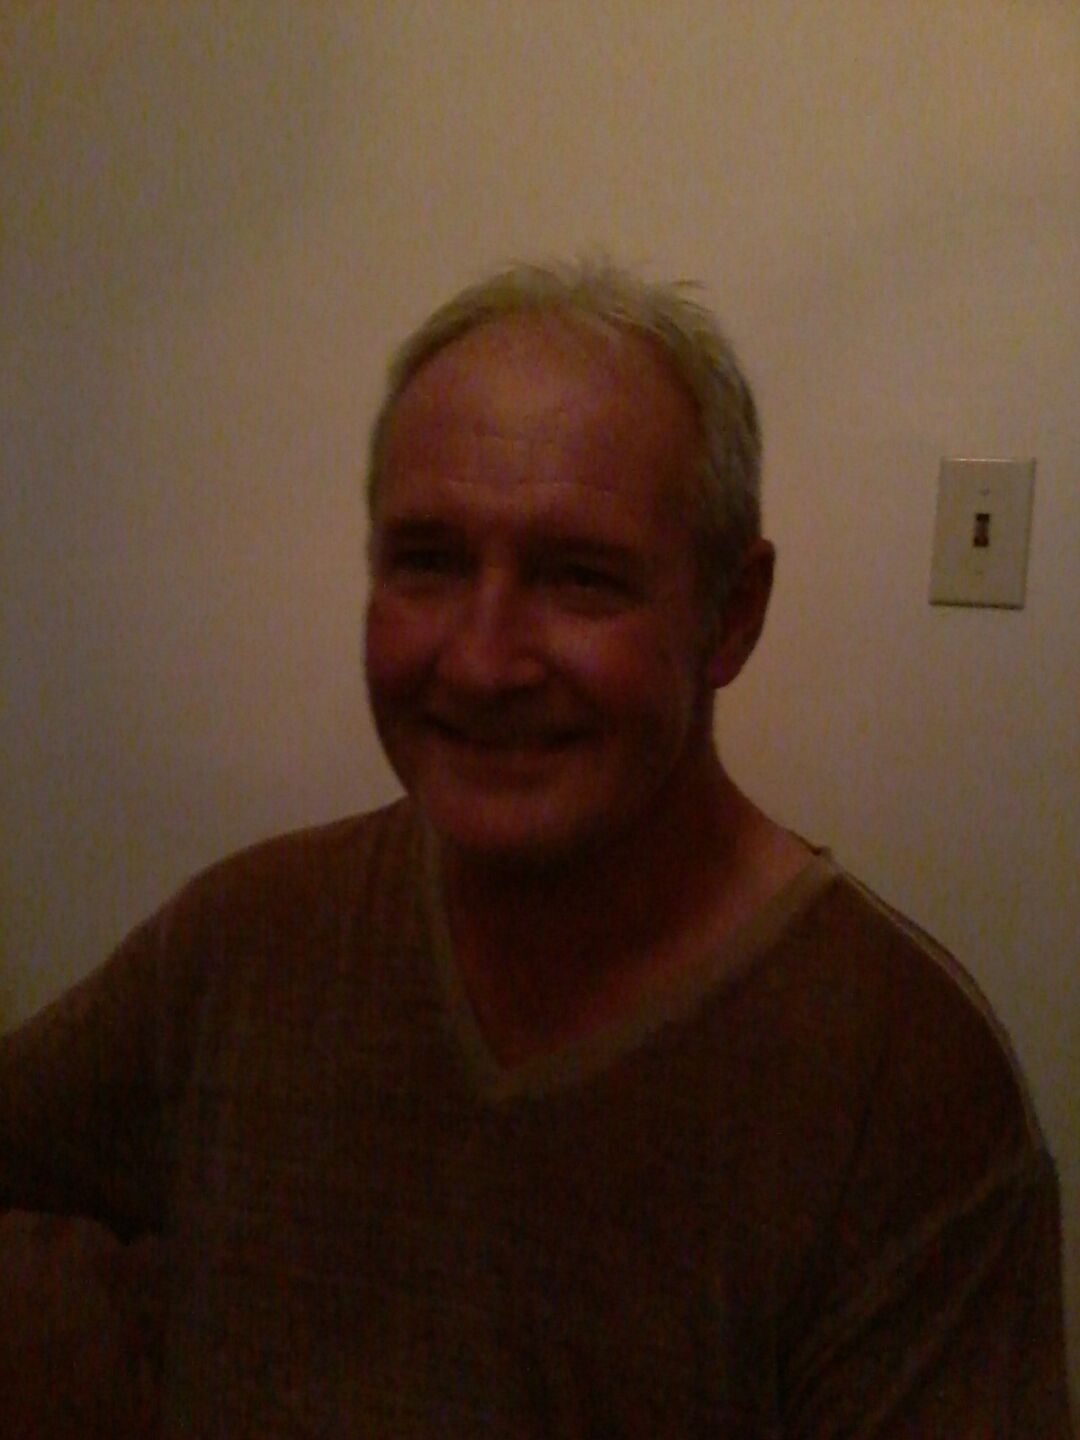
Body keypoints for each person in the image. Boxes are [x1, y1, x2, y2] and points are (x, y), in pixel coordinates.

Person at [1, 259, 1073, 1436]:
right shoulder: (240, 944)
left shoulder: (902, 1086)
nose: (480, 659)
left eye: (579, 578)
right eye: (427, 562)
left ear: (732, 613)